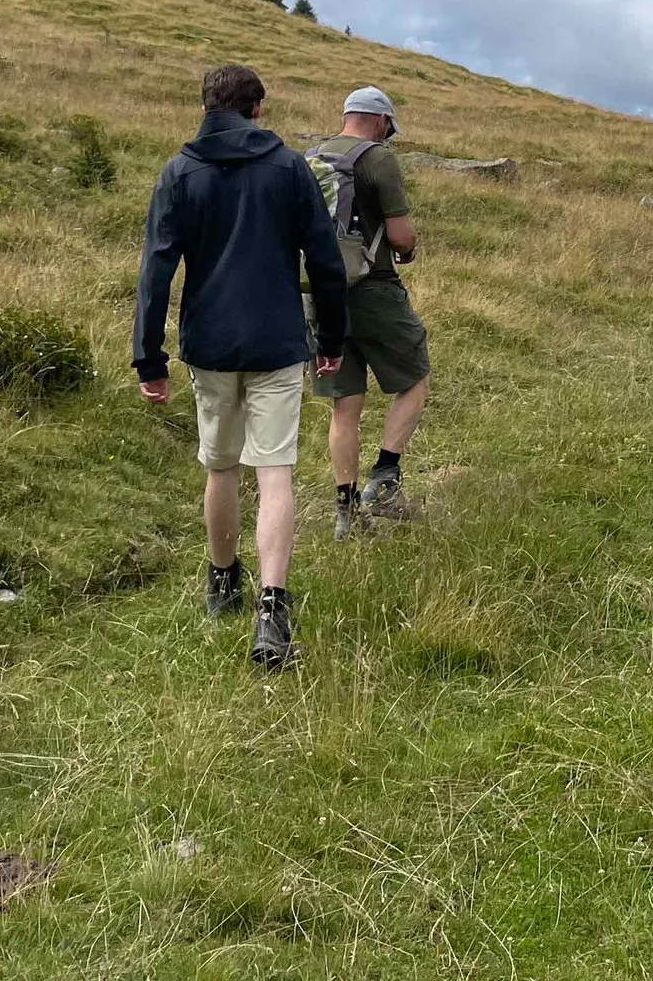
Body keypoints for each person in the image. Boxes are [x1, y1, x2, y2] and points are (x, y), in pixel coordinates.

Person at [133, 64, 348, 671]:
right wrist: (332, 336)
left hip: (210, 346)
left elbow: (156, 269)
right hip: (277, 344)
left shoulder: (179, 172)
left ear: (206, 106)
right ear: (257, 109)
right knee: (274, 473)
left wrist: (149, 355)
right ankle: (272, 611)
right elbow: (325, 261)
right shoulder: (288, 168)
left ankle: (223, 583)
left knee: (220, 467)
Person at [309, 85, 430, 538]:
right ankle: (385, 478)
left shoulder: (309, 157)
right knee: (415, 378)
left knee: (346, 406)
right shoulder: (377, 158)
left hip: (319, 295)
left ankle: (346, 513)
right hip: (373, 290)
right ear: (380, 122)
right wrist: (409, 249)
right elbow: (399, 236)